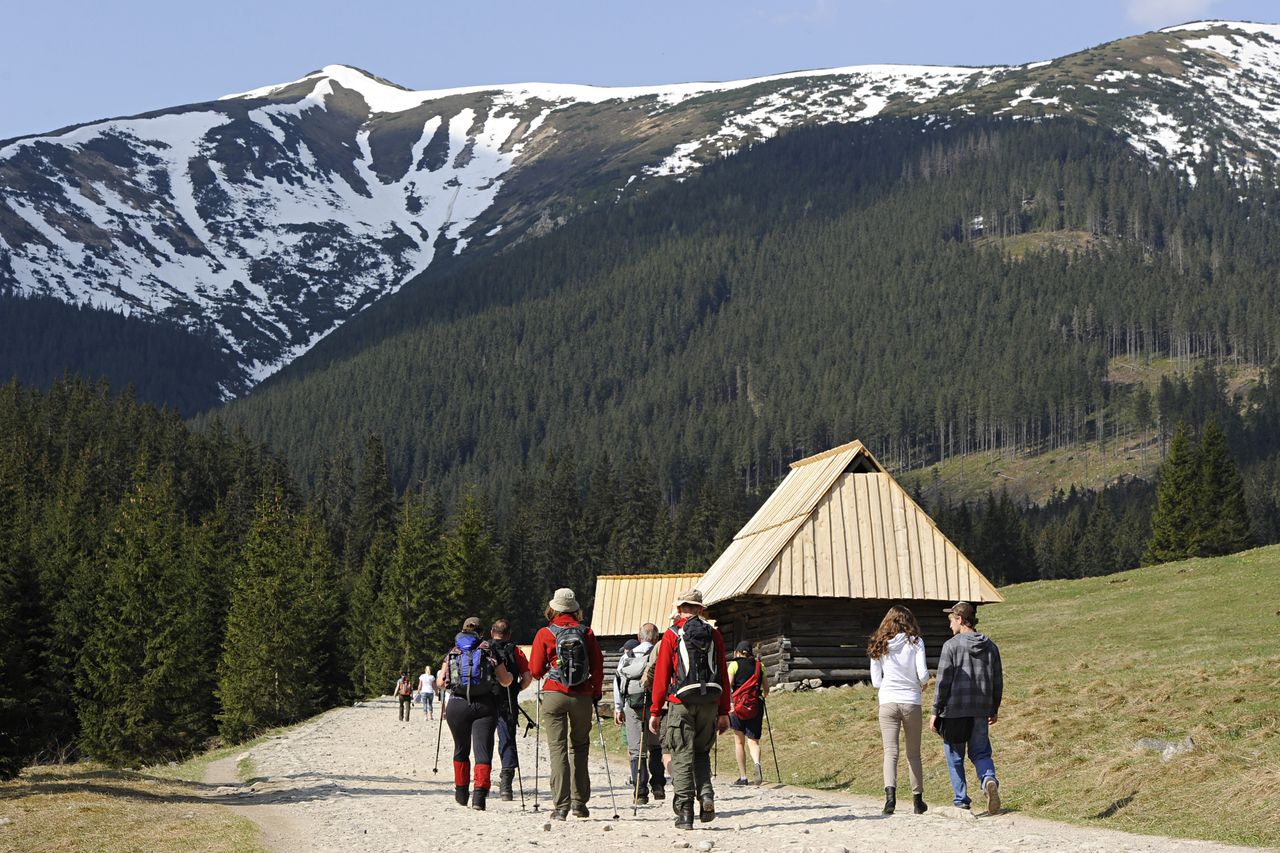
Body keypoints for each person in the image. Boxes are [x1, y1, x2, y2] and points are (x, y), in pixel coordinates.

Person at [648, 589, 730, 830]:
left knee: (682, 755)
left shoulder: (673, 635)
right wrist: (724, 710)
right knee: (701, 752)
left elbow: (661, 676)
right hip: (710, 703)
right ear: (700, 609)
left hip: (680, 703)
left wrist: (655, 711)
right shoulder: (714, 634)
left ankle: (685, 812)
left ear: (679, 608)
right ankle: (706, 797)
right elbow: (723, 674)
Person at [529, 587, 604, 821]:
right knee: (579, 747)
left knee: (557, 749)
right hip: (581, 695)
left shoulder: (545, 633)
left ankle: (561, 807)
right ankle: (579, 803)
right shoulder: (587, 632)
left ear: (553, 608)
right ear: (575, 609)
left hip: (554, 694)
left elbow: (535, 670)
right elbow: (598, 666)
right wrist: (596, 692)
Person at [929, 601, 1004, 816]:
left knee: (954, 755)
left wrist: (935, 710)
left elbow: (943, 681)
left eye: (951, 620)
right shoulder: (990, 646)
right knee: (980, 752)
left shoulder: (951, 646)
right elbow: (997, 681)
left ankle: (961, 800)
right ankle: (988, 779)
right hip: (980, 709)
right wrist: (994, 707)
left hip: (954, 710)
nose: (950, 626)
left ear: (960, 620)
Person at [437, 615, 514, 810]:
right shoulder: (489, 650)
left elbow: (440, 682)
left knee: (461, 749)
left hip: (457, 705)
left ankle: (461, 792)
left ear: (463, 630)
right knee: (482, 752)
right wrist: (511, 677)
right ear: (482, 633)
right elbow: (505, 681)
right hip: (484, 706)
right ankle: (479, 798)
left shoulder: (453, 652)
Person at [868, 605, 930, 815]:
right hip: (911, 701)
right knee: (913, 753)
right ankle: (917, 801)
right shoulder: (916, 642)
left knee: (890, 751)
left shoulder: (879, 643)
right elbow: (923, 674)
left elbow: (876, 681)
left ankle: (890, 799)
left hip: (887, 701)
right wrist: (921, 683)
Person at [613, 623, 664, 804]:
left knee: (636, 750)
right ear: (656, 638)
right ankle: (658, 784)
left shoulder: (627, 656)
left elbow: (618, 682)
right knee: (656, 746)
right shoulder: (660, 653)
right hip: (655, 705)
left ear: (639, 636)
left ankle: (640, 792)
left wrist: (618, 708)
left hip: (632, 705)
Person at [490, 618, 533, 801]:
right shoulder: (516, 651)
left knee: (483, 739)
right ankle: (506, 785)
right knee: (507, 740)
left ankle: (479, 783)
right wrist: (516, 689)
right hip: (508, 700)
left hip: (487, 699)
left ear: (492, 632)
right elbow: (528, 677)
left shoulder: (485, 648)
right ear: (509, 634)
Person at [727, 640, 769, 786]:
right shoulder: (760, 665)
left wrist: (729, 704)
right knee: (753, 741)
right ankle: (757, 763)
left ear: (737, 652)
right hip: (755, 706)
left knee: (739, 742)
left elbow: (728, 686)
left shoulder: (734, 665)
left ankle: (743, 777)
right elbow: (766, 689)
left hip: (737, 707)